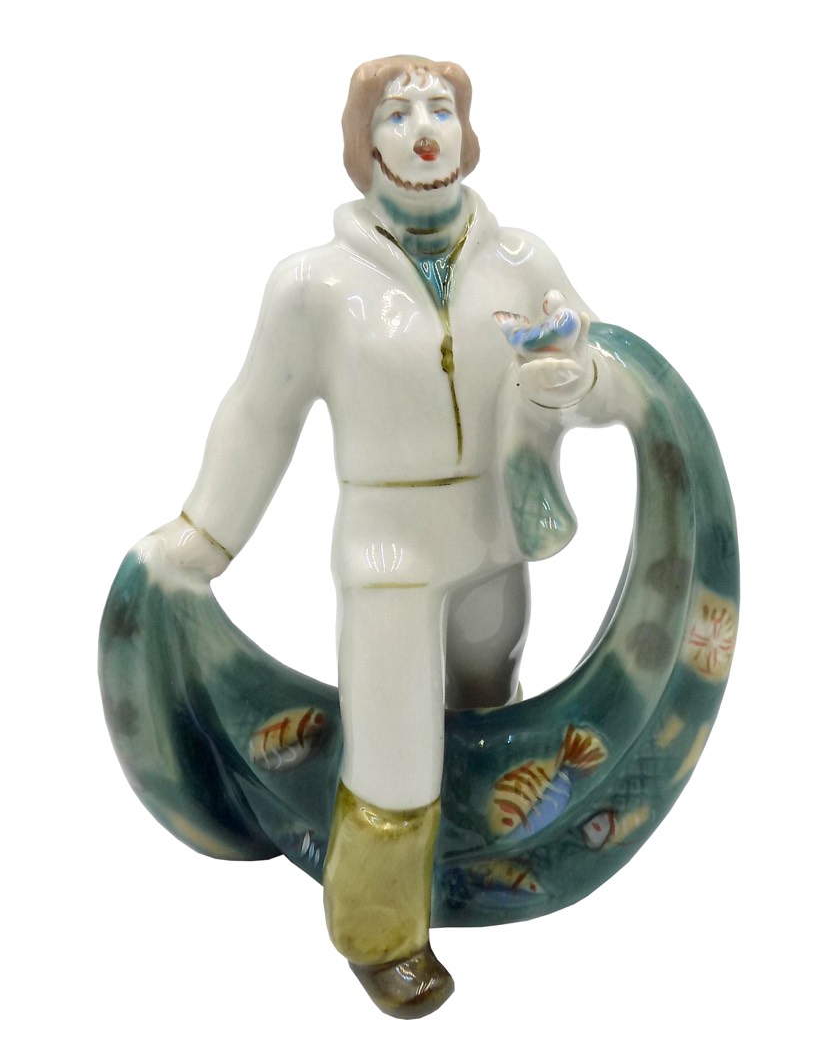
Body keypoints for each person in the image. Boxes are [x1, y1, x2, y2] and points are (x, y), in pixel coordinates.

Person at [145, 55, 608, 1017]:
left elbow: (595, 359)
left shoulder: (522, 259)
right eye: (397, 114)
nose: (424, 128)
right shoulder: (313, 286)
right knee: (393, 748)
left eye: (441, 108)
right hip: (390, 552)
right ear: (363, 146)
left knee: (487, 703)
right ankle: (382, 931)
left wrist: (580, 379)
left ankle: (477, 861)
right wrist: (206, 532)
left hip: (496, 536)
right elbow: (259, 415)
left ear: (468, 132)